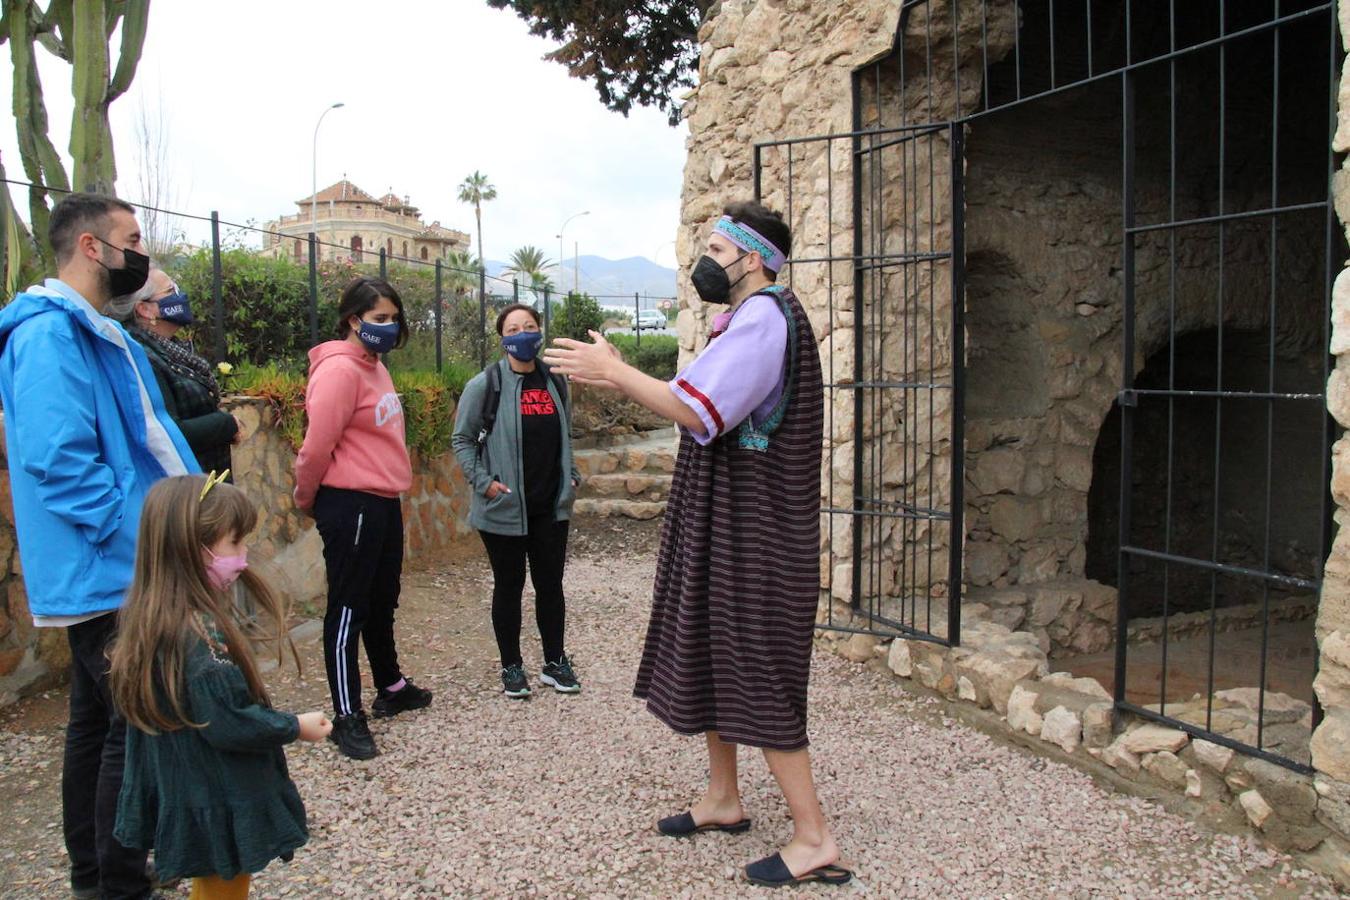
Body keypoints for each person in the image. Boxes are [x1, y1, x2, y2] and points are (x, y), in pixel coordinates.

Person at [543, 201, 850, 888]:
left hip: (758, 533)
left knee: (761, 672)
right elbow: (697, 395)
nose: (704, 259)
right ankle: (723, 798)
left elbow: (695, 410)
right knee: (719, 653)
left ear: (752, 256)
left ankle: (814, 837)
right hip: (734, 525)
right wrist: (623, 366)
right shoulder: (749, 320)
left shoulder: (767, 318)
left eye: (717, 246)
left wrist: (616, 373)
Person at [0, 192, 199, 899]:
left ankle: (97, 875)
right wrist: (148, 543)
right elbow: (60, 464)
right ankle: (118, 882)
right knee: (133, 727)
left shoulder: (90, 329)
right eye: (133, 238)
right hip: (112, 569)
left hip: (118, 564)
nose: (141, 254)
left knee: (98, 723)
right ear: (92, 248)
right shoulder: (49, 338)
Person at [110, 473, 331, 900]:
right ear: (197, 550)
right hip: (213, 795)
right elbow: (230, 723)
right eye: (235, 544)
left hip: (191, 788)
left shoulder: (157, 621)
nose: (244, 558)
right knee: (222, 886)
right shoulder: (194, 645)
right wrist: (294, 726)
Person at [293, 276, 431, 760]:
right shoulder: (339, 372)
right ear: (353, 320)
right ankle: (347, 715)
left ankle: (391, 687)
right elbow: (316, 446)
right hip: (349, 502)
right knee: (349, 608)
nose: (389, 327)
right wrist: (306, 497)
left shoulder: (376, 367)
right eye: (378, 319)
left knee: (381, 599)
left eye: (394, 319)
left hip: (382, 499)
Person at [451, 303, 582, 699]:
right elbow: (462, 439)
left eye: (529, 326)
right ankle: (511, 666)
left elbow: (564, 433)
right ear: (502, 337)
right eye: (514, 327)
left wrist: (570, 474)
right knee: (508, 587)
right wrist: (484, 483)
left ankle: (555, 662)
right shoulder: (485, 384)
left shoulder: (556, 381)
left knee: (551, 586)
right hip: (505, 508)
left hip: (550, 506)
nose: (523, 333)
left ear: (539, 331)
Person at [106, 266, 242, 475]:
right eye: (171, 291)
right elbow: (166, 431)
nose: (180, 296)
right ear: (145, 309)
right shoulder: (143, 357)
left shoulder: (171, 349)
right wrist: (226, 424)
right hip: (182, 487)